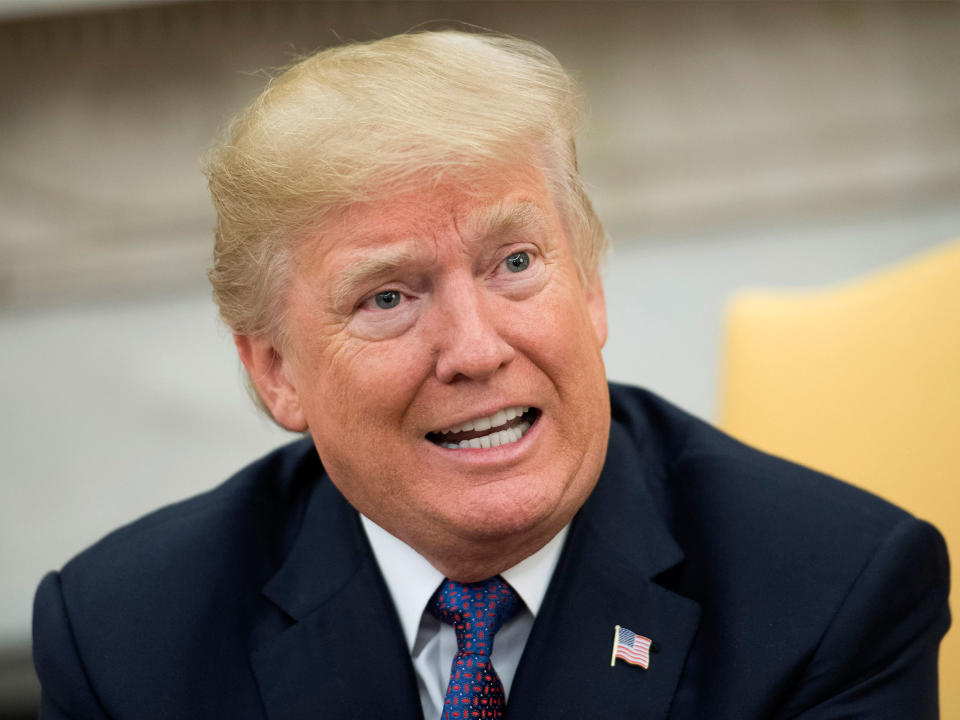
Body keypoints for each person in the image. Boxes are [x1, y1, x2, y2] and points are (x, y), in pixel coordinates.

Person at [33, 30, 949, 720]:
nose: (475, 350)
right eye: (388, 297)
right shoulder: (125, 637)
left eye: (514, 263)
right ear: (277, 373)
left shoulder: (835, 592)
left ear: (589, 289)